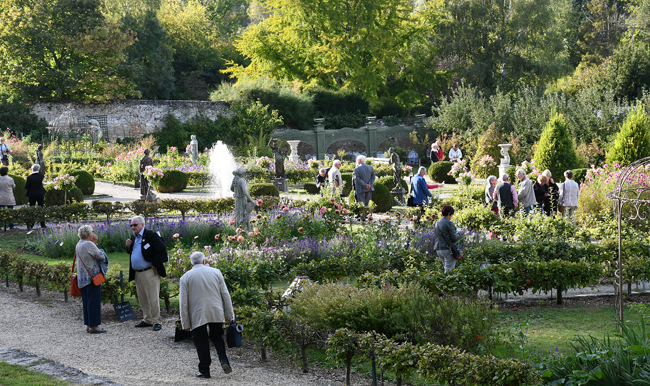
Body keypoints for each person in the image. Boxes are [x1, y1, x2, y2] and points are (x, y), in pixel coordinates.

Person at [180, 252, 235, 378]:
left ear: (191, 263)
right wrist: (230, 315)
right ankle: (224, 360)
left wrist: (185, 323)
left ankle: (204, 370)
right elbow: (225, 295)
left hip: (198, 313)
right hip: (215, 310)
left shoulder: (185, 277)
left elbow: (183, 303)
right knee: (217, 337)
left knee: (201, 341)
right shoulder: (216, 272)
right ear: (204, 261)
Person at [126, 215, 168, 331]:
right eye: (131, 225)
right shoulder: (133, 238)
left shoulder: (151, 235)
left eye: (135, 225)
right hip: (137, 273)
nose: (133, 227)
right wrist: (128, 247)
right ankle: (147, 319)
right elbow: (135, 252)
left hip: (149, 272)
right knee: (142, 298)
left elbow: (162, 249)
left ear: (142, 225)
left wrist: (155, 263)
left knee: (152, 298)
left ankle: (156, 321)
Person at [76, 225, 108, 334]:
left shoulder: (79, 243)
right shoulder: (88, 244)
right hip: (92, 278)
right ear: (89, 234)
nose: (94, 233)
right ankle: (94, 326)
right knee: (94, 302)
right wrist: (96, 245)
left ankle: (89, 324)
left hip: (82, 278)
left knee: (87, 301)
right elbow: (101, 257)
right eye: (92, 231)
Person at [434, 205, 461, 272]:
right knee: (449, 270)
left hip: (439, 249)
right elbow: (454, 238)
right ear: (449, 213)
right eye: (451, 215)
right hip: (447, 249)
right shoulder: (449, 223)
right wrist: (460, 233)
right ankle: (447, 282)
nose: (451, 217)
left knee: (446, 268)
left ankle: (444, 281)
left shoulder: (437, 223)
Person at [25, 164, 46, 228]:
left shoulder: (29, 177)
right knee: (41, 208)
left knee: (32, 208)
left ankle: (31, 224)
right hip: (40, 193)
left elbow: (26, 187)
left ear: (32, 169)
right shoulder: (41, 176)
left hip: (32, 194)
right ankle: (42, 224)